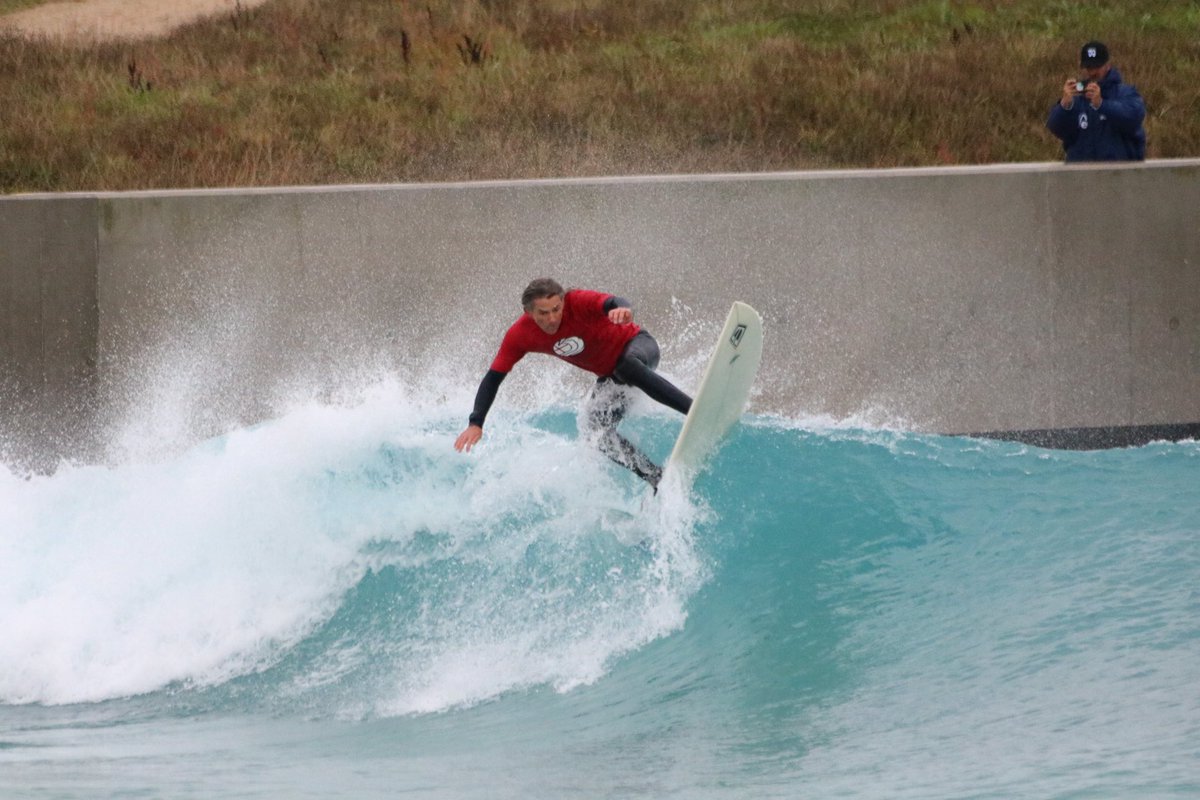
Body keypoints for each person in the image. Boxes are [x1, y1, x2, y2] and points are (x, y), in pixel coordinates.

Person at [454, 278, 692, 488]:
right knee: (594, 431)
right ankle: (655, 478)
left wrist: (622, 309)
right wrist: (476, 422)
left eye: (556, 309)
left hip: (640, 347)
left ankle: (692, 408)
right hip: (613, 377)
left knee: (626, 367)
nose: (552, 318)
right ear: (528, 312)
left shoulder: (577, 301)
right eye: (543, 313)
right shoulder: (520, 335)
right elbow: (494, 376)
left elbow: (612, 301)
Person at [1046, 40, 1146, 162]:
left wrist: (1101, 105)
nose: (1092, 72)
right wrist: (1065, 106)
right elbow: (1056, 128)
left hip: (1118, 173)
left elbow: (1133, 118)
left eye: (1097, 67)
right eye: (1088, 67)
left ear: (1108, 65)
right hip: (1082, 174)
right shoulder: (1077, 100)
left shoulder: (1125, 93)